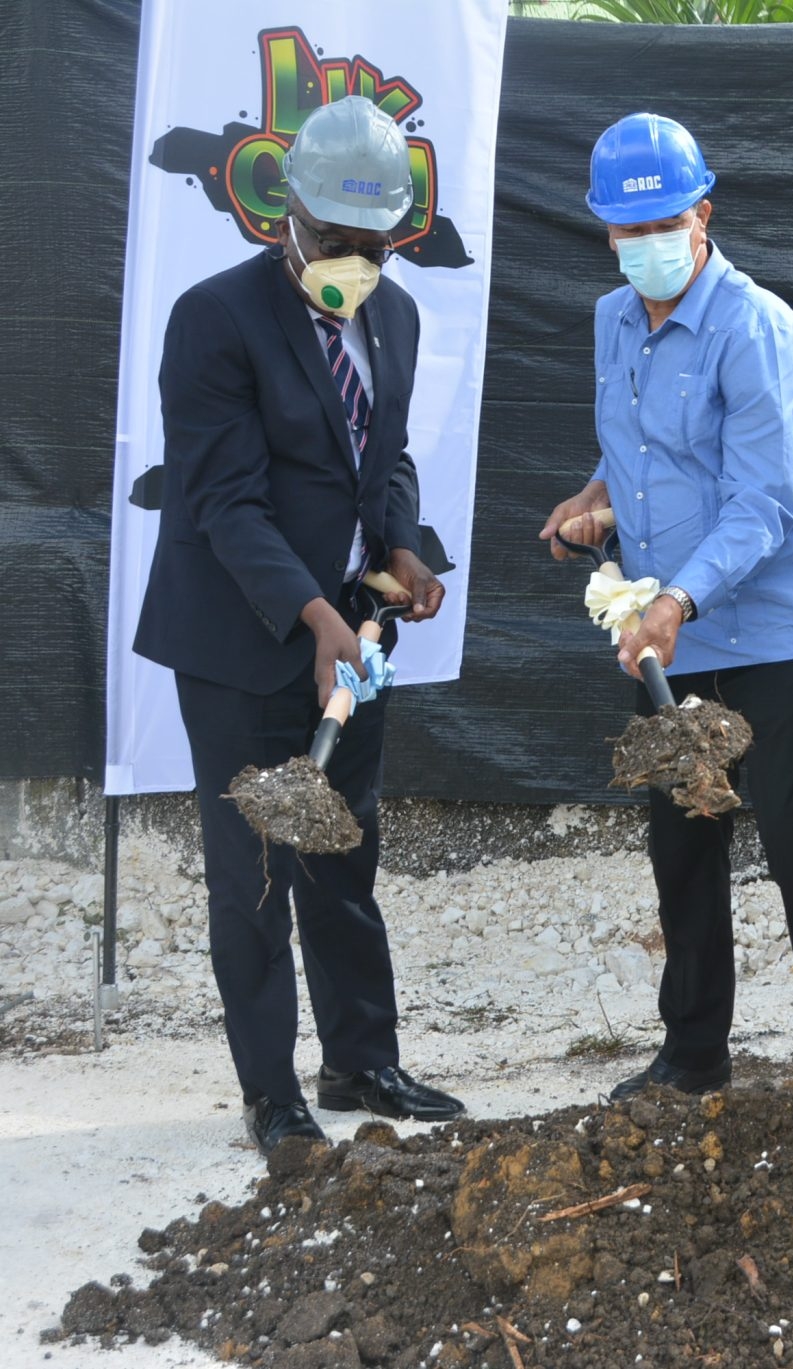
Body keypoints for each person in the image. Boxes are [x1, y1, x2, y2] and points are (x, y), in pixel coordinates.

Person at [541, 114, 793, 1098]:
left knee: (789, 829)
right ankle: (693, 1054)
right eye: (623, 228)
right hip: (674, 635)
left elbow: (761, 503)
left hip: (785, 628)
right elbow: (642, 454)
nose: (641, 243)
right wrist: (595, 498)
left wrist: (678, 599)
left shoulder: (756, 329)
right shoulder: (615, 321)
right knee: (682, 838)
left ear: (702, 214)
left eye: (661, 220)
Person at [134, 95, 462, 1155]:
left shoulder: (395, 317)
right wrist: (317, 611)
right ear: (289, 218)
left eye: (374, 247)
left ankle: (361, 1059)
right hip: (242, 643)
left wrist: (402, 553)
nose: (355, 263)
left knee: (342, 853)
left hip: (348, 640)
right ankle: (271, 1093)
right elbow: (222, 498)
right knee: (258, 869)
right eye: (335, 243)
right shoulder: (214, 320)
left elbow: (388, 462)